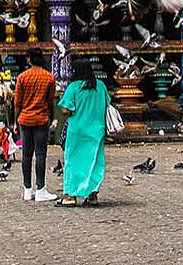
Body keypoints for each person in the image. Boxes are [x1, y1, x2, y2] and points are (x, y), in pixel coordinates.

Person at [55, 57, 114, 207]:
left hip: (77, 131)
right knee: (95, 162)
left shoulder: (74, 87)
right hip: (97, 131)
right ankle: (92, 194)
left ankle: (70, 196)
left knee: (73, 162)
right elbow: (107, 103)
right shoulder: (100, 86)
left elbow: (65, 109)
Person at [12, 50, 58, 203]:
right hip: (41, 119)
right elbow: (50, 101)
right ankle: (40, 189)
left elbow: (17, 103)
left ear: (29, 60)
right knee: (40, 154)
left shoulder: (22, 77)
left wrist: (15, 122)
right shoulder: (49, 77)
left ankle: (27, 189)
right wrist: (51, 117)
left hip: (25, 119)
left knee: (26, 154)